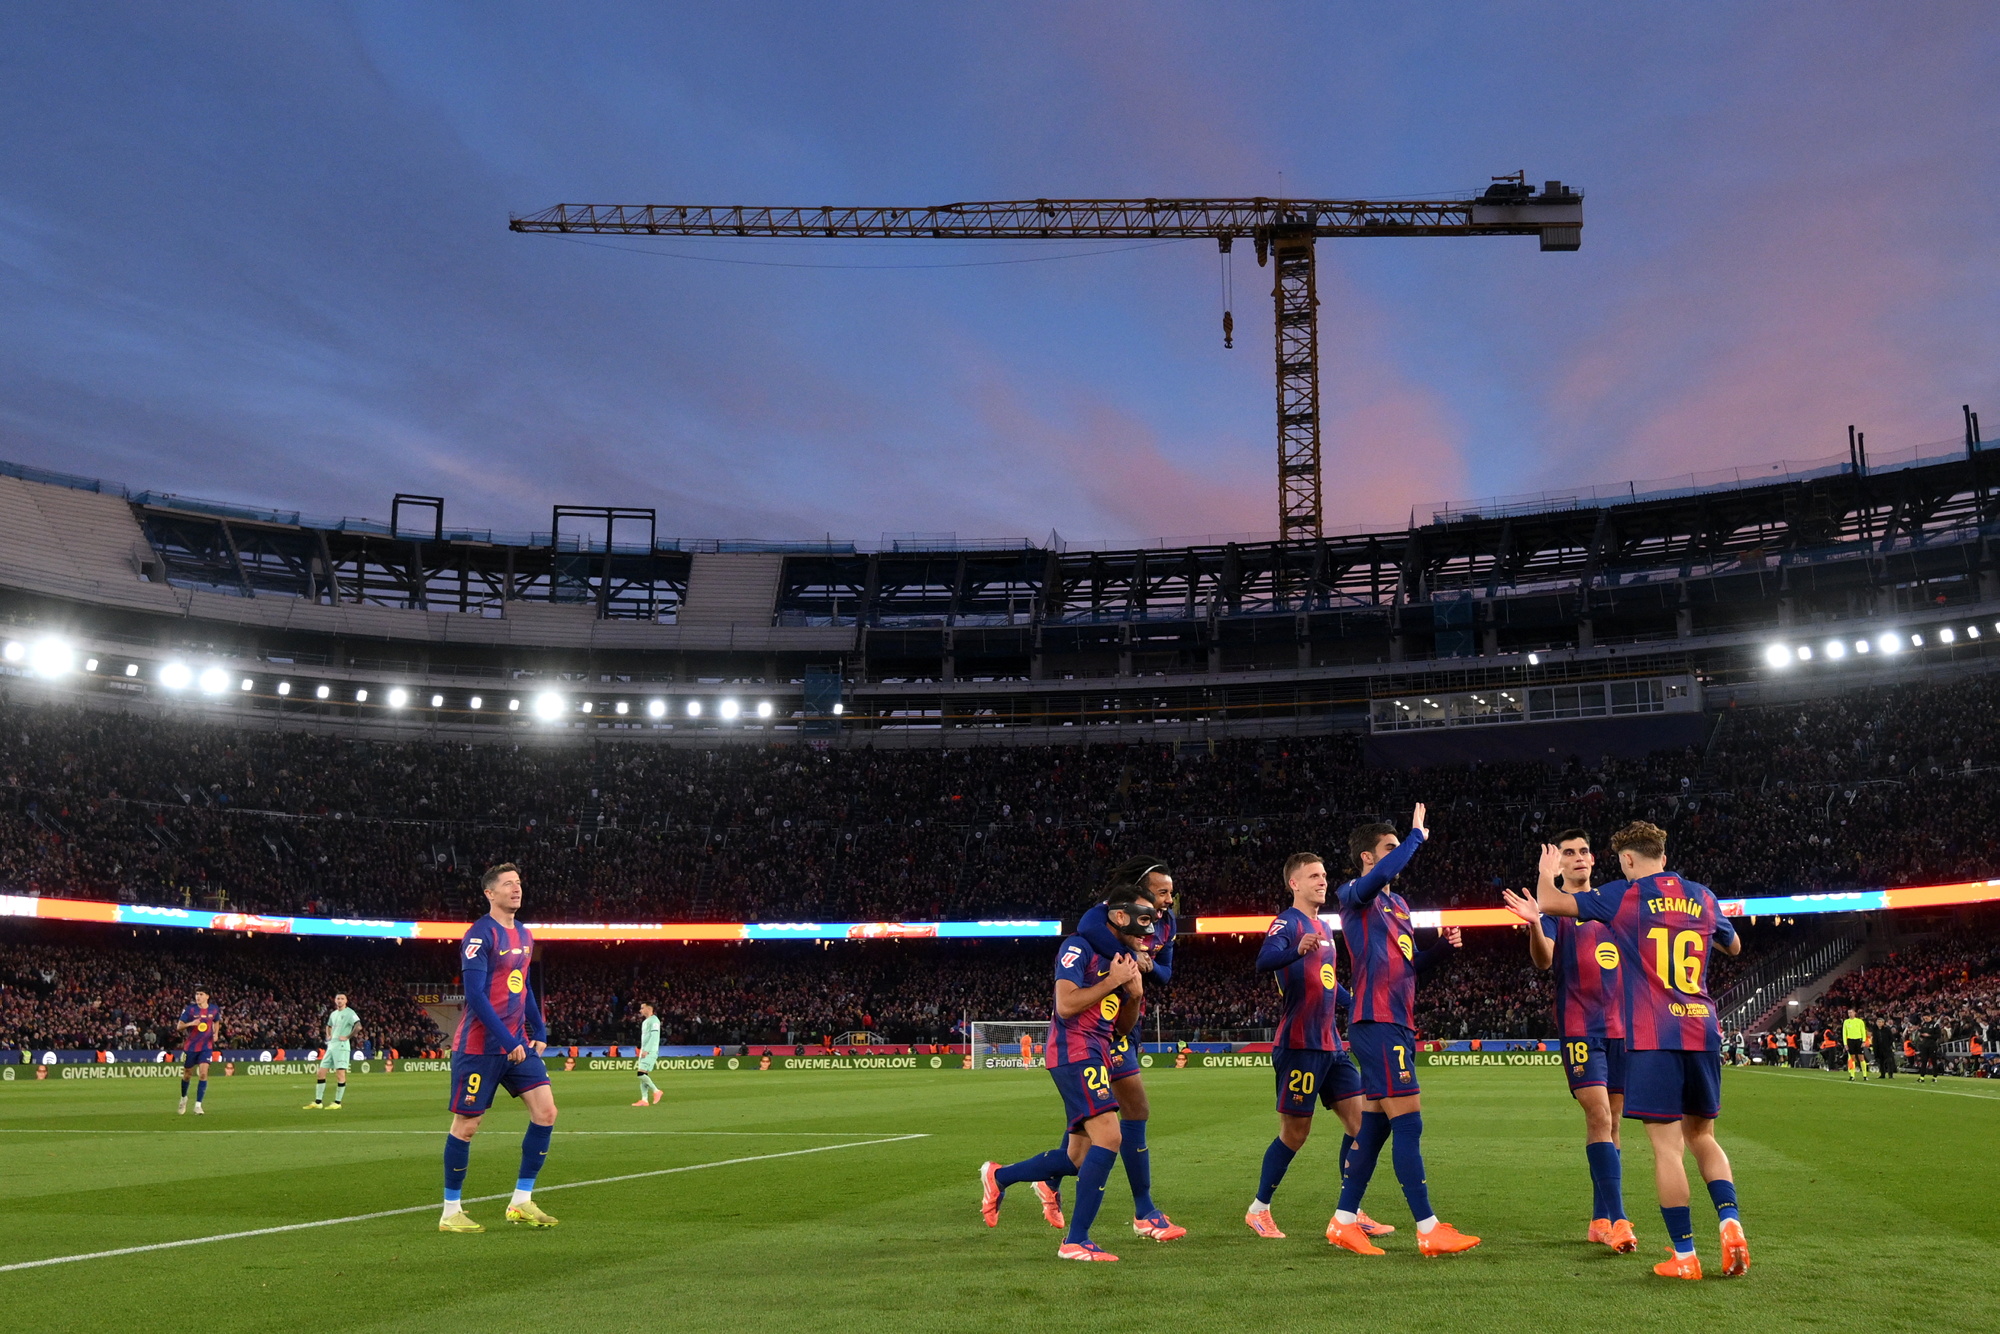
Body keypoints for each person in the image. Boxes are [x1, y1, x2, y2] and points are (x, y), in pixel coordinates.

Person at [1537, 822, 1749, 1281]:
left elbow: (1550, 904)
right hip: (1703, 1027)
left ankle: (1685, 1255)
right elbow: (1733, 945)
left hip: (1654, 1033)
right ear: (1664, 855)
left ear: (1628, 860)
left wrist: (1546, 871)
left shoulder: (1626, 895)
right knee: (1704, 1137)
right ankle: (1731, 1224)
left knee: (1667, 1148)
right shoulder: (1703, 896)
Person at [1328, 805, 1477, 1257]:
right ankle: (1428, 1227)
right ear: (1368, 859)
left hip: (1398, 1019)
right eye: (1388, 849)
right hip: (1376, 1021)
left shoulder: (1398, 905)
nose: (1399, 855)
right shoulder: (1355, 893)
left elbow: (1407, 969)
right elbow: (1383, 872)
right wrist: (1414, 838)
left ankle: (1343, 1221)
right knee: (1409, 1120)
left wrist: (1440, 952)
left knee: (1375, 1127)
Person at [980, 892, 1151, 1261]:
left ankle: (999, 1176)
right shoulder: (1078, 947)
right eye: (1143, 921)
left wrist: (1134, 996)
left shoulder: (1121, 961)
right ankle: (1077, 1240)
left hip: (1098, 1052)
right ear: (1121, 917)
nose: (1148, 932)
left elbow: (1121, 1029)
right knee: (1110, 1135)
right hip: (1074, 1050)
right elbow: (1067, 1004)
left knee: (1075, 1158)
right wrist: (1112, 981)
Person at [1502, 827, 1637, 1253]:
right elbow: (1543, 961)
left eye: (1583, 851)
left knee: (1613, 1124)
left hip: (1622, 1028)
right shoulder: (1556, 911)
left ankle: (1599, 1219)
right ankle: (1618, 1220)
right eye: (1569, 853)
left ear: (1593, 860)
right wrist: (1533, 926)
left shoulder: (1612, 905)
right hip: (1581, 1027)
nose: (1578, 857)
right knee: (1598, 1115)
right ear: (1557, 863)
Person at [1246, 850, 1391, 1241]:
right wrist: (1297, 949)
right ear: (1294, 883)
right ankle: (1259, 1210)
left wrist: (1362, 1001)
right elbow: (1264, 961)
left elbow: (1329, 983)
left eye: (1324, 874)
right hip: (1299, 1046)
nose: (1322, 881)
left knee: (1363, 1125)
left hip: (1332, 1047)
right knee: (1295, 1134)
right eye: (1313, 876)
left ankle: (1351, 1211)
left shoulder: (1323, 927)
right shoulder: (1288, 922)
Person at [440, 863, 560, 1234]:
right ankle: (451, 1211)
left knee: (546, 1111)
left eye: (519, 883)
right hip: (480, 1047)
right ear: (489, 893)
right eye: (508, 884)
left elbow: (519, 986)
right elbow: (475, 995)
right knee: (467, 1125)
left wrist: (537, 1027)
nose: (516, 889)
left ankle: (521, 1201)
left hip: (517, 1046)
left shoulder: (524, 934)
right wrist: (510, 1041)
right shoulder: (480, 935)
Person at [1073, 857, 1187, 1242]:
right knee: (1133, 1109)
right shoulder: (1109, 915)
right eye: (1161, 891)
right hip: (1098, 1020)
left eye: (1171, 892)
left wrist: (1147, 965)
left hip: (1127, 1016)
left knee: (1088, 1127)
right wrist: (1128, 955)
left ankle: (1030, 1177)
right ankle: (1144, 1210)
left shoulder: (1166, 926)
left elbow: (1167, 974)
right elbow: (1087, 929)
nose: (1168, 899)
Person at [305, 993, 361, 1110]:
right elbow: (328, 1025)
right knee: (320, 1072)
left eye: (342, 999)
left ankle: (337, 1102)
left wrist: (347, 1037)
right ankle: (318, 1102)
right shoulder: (333, 1014)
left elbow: (358, 1026)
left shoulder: (350, 1013)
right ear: (335, 1001)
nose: (340, 1000)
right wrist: (328, 1035)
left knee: (340, 1074)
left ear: (346, 1001)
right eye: (338, 999)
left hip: (341, 1046)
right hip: (331, 1046)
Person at [174, 987, 221, 1116]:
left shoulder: (214, 1009)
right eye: (197, 994)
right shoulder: (190, 1009)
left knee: (203, 1074)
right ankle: (184, 1098)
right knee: (187, 1075)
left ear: (207, 996)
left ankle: (198, 1105)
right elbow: (179, 1026)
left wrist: (216, 1033)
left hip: (206, 1047)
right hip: (191, 1046)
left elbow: (216, 1021)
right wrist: (191, 1024)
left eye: (201, 994)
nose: (198, 997)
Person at [632, 1002, 663, 1106]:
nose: (640, 1010)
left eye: (642, 1008)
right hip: (644, 1051)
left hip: (650, 1051)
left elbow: (654, 1037)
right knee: (644, 1074)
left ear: (649, 1008)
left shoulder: (654, 1021)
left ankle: (656, 1091)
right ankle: (644, 1100)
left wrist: (647, 1050)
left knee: (640, 1073)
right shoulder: (646, 1021)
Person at [1842, 1009, 1869, 1081]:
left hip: (1859, 1040)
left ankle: (1865, 1075)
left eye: (1851, 1012)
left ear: (1854, 1013)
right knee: (1852, 1058)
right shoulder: (1846, 1022)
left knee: (1861, 1058)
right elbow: (1844, 1033)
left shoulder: (1860, 1021)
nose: (1850, 1014)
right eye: (1848, 1013)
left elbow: (1863, 1031)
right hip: (1850, 1040)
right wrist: (1845, 1044)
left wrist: (1863, 1041)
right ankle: (1852, 1075)